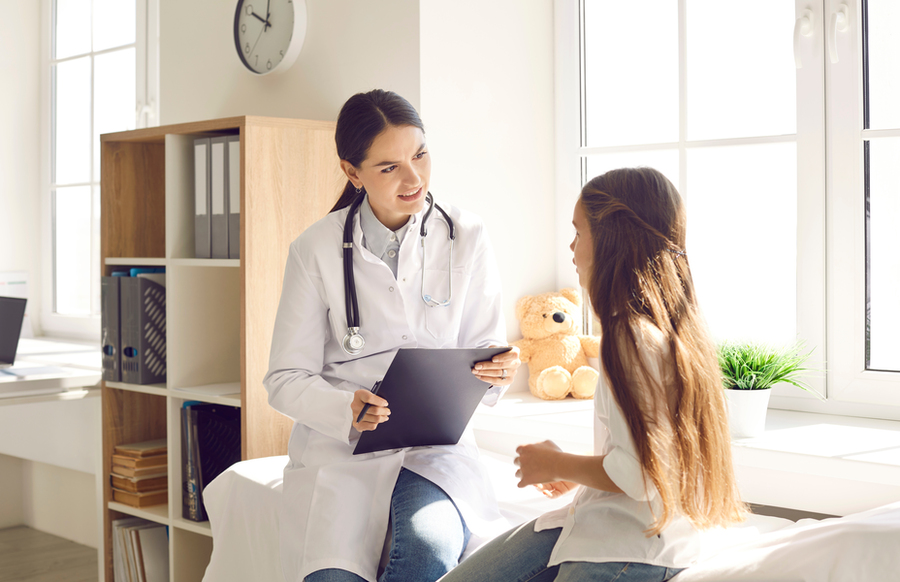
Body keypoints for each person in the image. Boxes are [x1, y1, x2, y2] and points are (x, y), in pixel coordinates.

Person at [438, 167, 747, 582]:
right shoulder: (667, 333)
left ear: (613, 240)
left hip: (625, 550)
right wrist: (569, 468)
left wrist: (556, 463)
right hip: (624, 533)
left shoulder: (629, 337)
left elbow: (638, 475)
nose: (571, 247)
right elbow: (647, 462)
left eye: (579, 233)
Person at [263, 89, 522, 582]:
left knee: (426, 554)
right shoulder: (315, 249)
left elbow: (487, 352)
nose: (414, 178)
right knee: (333, 576)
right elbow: (284, 378)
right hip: (343, 452)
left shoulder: (466, 234)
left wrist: (499, 371)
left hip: (436, 449)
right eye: (389, 167)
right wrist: (347, 410)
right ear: (352, 171)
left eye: (420, 154)